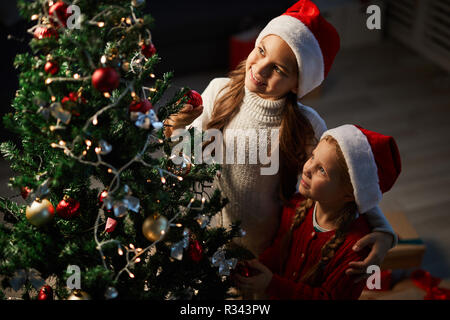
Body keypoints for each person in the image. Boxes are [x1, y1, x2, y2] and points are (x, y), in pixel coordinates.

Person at [164, 0, 396, 279]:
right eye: (260, 51)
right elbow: (185, 159)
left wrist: (384, 230)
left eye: (278, 70)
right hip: (204, 232)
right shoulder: (218, 91)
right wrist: (175, 131)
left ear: (298, 84)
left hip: (261, 247)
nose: (260, 69)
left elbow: (348, 178)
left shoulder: (306, 125)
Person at [235, 124, 402, 299]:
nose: (307, 169)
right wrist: (256, 267)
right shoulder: (296, 205)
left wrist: (272, 284)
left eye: (322, 170)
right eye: (313, 156)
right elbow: (279, 249)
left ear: (350, 193)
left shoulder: (355, 250)